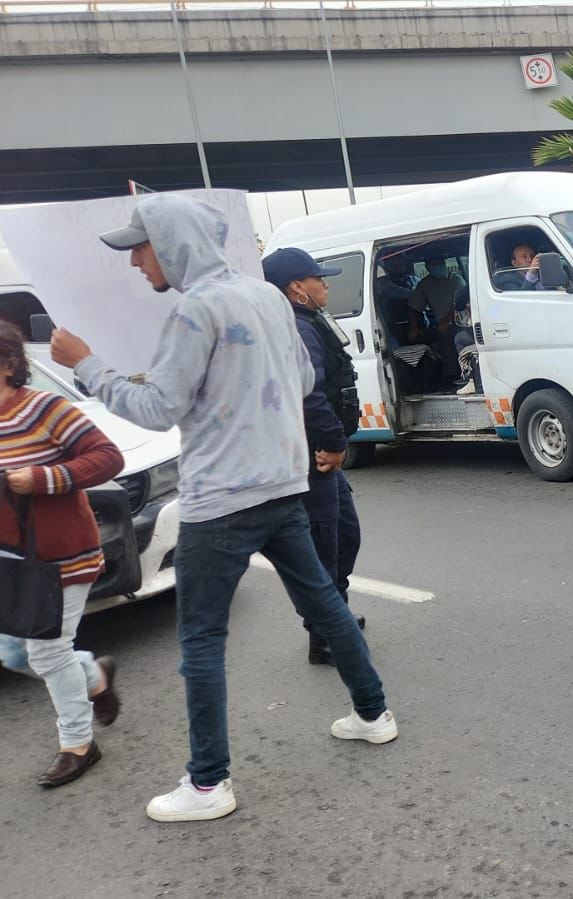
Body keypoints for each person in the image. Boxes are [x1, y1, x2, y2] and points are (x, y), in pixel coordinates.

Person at [51, 194, 396, 823]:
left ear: (172, 245)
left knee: (202, 639)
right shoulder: (266, 297)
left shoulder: (194, 310)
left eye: (140, 248)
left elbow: (157, 410)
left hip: (220, 501)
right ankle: (373, 714)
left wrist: (88, 365)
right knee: (324, 602)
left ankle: (208, 784)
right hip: (281, 484)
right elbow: (304, 381)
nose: (135, 262)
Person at [0, 321, 124, 788]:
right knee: (14, 653)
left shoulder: (44, 408)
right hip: (10, 561)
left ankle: (78, 744)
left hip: (61, 556)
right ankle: (94, 675)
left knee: (48, 652)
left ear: (9, 363)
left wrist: (42, 479)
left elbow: (107, 457)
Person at [262, 248, 367, 667]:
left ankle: (335, 615)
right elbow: (309, 395)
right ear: (296, 287)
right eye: (317, 277)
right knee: (324, 544)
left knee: (345, 535)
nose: (324, 283)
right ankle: (323, 636)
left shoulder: (307, 321)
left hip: (321, 453)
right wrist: (335, 443)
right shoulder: (299, 329)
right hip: (313, 456)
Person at [409, 253, 469, 386]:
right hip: (438, 323)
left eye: (439, 263)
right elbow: (414, 307)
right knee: (419, 338)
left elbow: (459, 305)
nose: (437, 267)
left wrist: (447, 321)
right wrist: (414, 328)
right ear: (427, 267)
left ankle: (451, 376)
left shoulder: (456, 281)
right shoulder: (425, 284)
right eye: (433, 264)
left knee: (451, 335)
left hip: (459, 321)